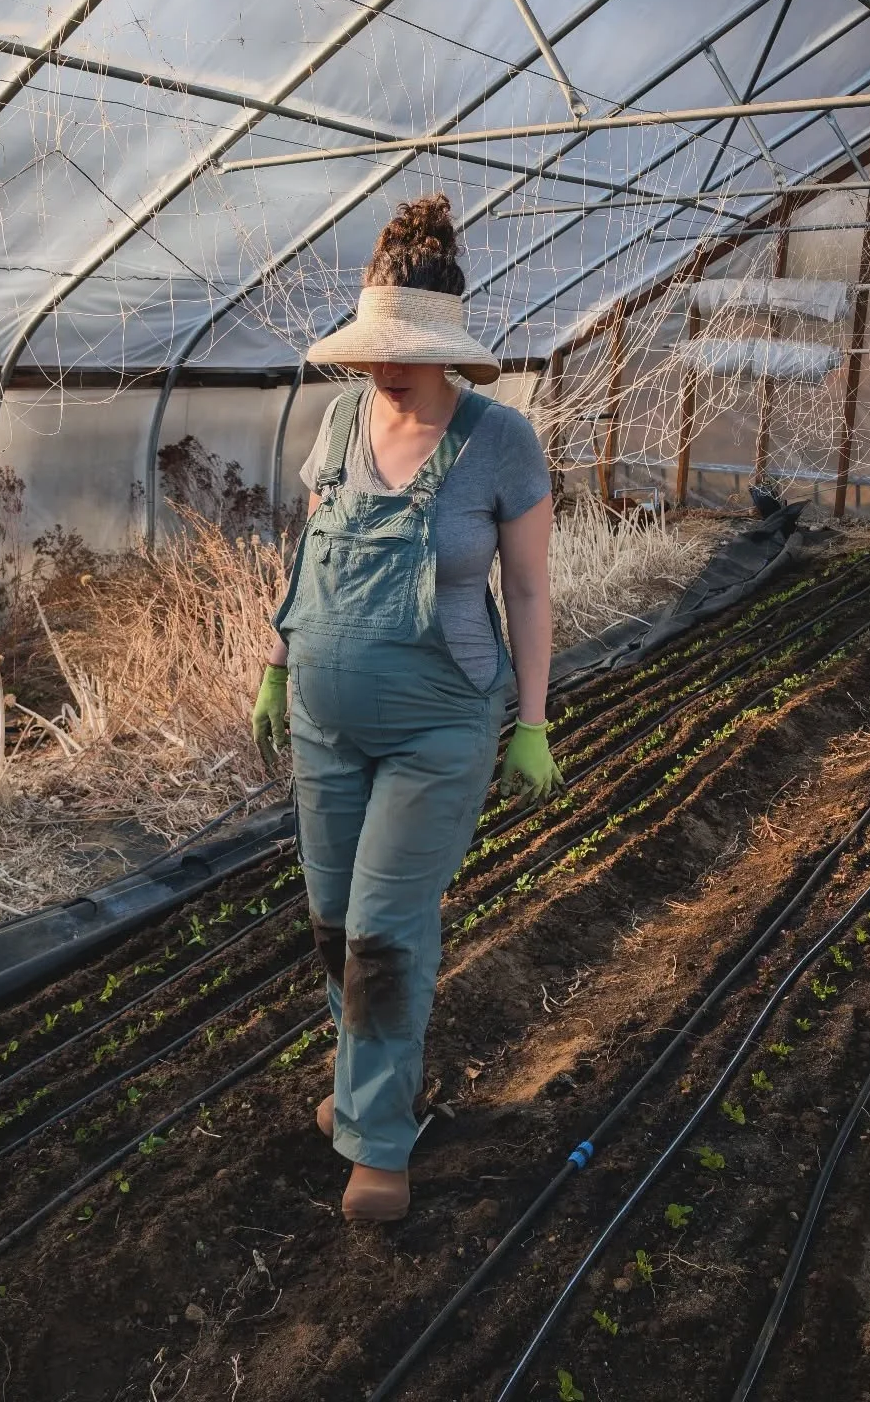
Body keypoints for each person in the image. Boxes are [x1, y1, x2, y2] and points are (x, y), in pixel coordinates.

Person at [251, 194, 561, 1222]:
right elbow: (307, 556)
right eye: (376, 348)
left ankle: (380, 1140)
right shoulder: (339, 421)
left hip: (439, 728)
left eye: (408, 350)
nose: (386, 368)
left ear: (449, 350)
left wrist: (532, 721)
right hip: (325, 728)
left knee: (385, 930)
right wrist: (277, 667)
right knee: (334, 927)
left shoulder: (499, 443)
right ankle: (363, 1092)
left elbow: (525, 592)